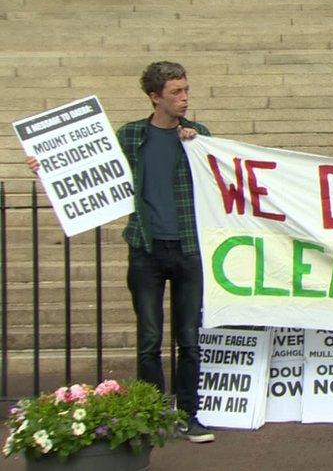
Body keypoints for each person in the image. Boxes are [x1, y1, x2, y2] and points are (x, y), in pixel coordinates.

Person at [28, 61, 214, 443]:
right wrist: (45, 168)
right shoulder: (131, 136)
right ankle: (152, 413)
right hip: (145, 248)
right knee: (148, 338)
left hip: (189, 249)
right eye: (176, 92)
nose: (184, 98)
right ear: (155, 97)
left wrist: (201, 146)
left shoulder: (197, 136)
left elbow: (220, 177)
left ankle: (189, 414)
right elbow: (91, 169)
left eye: (186, 90)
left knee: (189, 337)